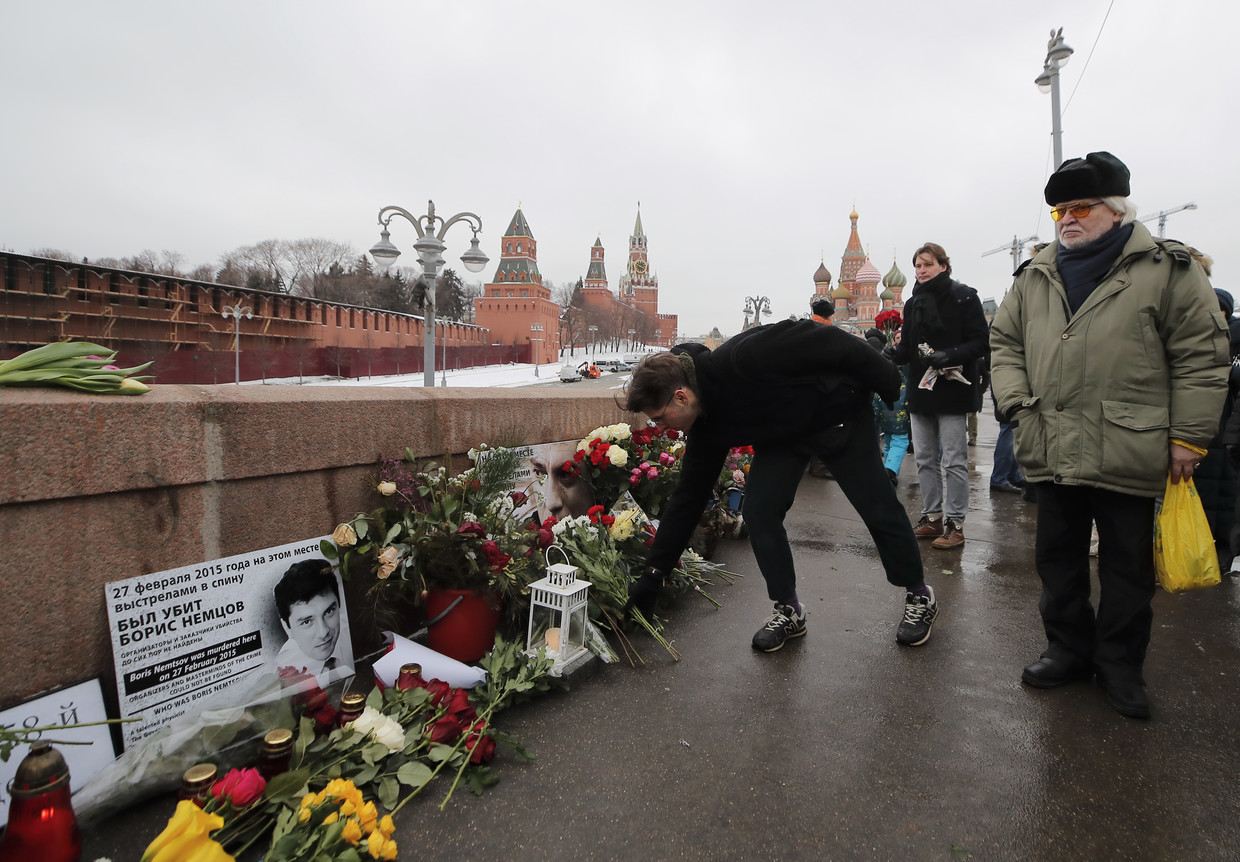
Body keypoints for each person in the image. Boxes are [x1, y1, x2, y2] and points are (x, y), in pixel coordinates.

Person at [991, 151, 1228, 719]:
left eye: (1080, 207)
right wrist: (1019, 405)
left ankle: (1119, 665)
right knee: (1057, 559)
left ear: (1116, 210)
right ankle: (1067, 650)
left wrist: (1188, 437)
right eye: (1059, 212)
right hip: (1051, 442)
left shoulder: (1167, 269)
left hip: (1130, 442)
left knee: (1127, 568)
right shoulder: (1036, 274)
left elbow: (1201, 355)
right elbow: (1005, 344)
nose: (1067, 219)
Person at [624, 318, 940, 651]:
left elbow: (827, 338)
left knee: (876, 504)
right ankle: (790, 609)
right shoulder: (705, 426)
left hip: (837, 415)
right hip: (784, 436)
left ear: (681, 397)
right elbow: (688, 498)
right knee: (760, 511)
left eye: (658, 417)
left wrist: (887, 378)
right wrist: (654, 574)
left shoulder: (745, 357)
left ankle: (920, 594)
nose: (658, 428)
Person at [887, 243, 989, 549]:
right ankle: (932, 518)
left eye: (927, 264)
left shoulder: (964, 296)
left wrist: (948, 355)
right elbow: (908, 347)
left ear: (943, 266)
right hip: (922, 389)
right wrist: (892, 353)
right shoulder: (913, 302)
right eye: (917, 265)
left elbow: (981, 342)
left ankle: (955, 524)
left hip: (953, 388)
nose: (921, 270)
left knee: (954, 461)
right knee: (925, 459)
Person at [272, 560, 352, 689]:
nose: (323, 632)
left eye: (329, 611)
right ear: (287, 628)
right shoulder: (282, 678)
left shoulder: (355, 632)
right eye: (307, 622)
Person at [866, 328, 910, 486]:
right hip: (897, 401)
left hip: (879, 400)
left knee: (889, 437)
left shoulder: (878, 354)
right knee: (899, 437)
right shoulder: (903, 356)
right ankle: (890, 470)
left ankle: (887, 469)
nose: (898, 340)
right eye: (897, 337)